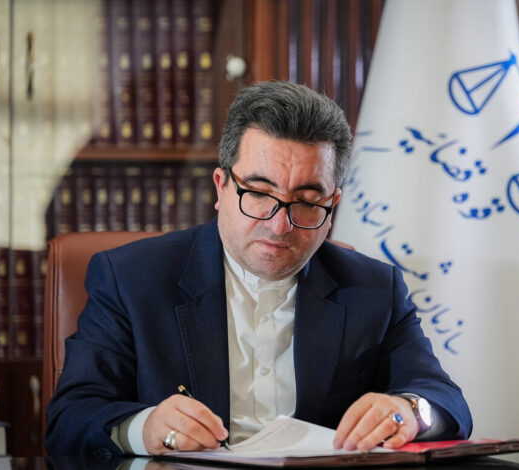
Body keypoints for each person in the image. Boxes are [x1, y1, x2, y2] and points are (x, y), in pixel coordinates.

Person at [45, 81, 472, 459]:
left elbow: (446, 402)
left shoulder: (374, 288)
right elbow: (70, 418)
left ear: (332, 206)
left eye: (307, 201)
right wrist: (145, 428)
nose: (279, 224)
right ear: (221, 187)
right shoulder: (131, 278)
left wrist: (408, 411)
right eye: (259, 193)